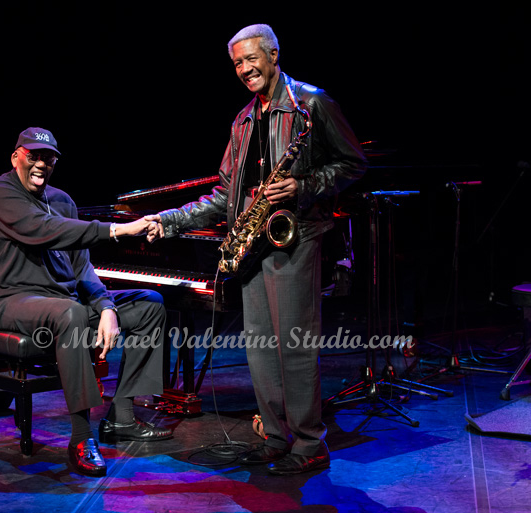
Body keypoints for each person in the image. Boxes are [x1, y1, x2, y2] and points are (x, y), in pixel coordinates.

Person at [148, 24, 367, 475]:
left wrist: (304, 185)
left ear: (273, 54)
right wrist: (169, 222)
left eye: (251, 59)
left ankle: (309, 443)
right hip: (253, 243)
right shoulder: (243, 119)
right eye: (236, 64)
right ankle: (274, 434)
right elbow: (222, 194)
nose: (244, 69)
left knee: (294, 347)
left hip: (296, 236)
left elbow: (353, 163)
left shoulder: (311, 103)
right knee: (262, 348)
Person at [0, 127, 173, 477]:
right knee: (72, 312)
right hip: (5, 299)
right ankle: (81, 438)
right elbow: (44, 229)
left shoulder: (64, 200)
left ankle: (122, 417)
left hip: (57, 299)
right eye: (33, 155)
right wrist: (117, 229)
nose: (40, 163)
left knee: (149, 303)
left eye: (48, 158)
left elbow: (81, 266)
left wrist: (108, 307)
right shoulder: (0, 190)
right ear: (15, 157)